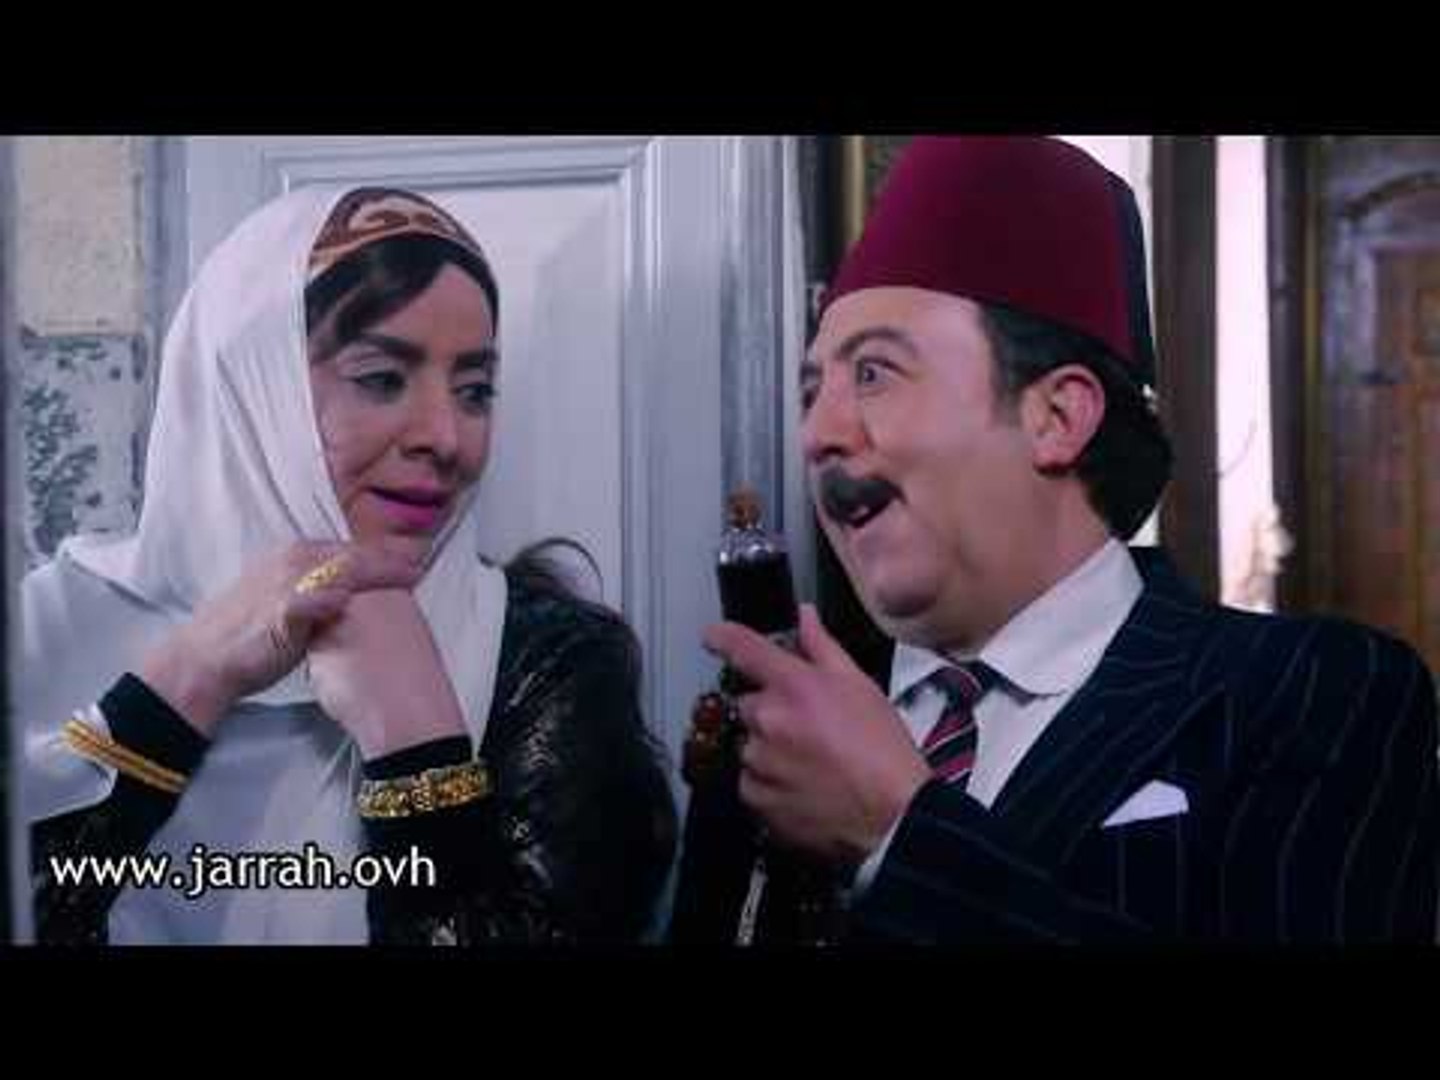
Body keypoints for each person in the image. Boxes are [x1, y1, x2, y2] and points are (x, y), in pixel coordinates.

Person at [671, 136, 1438, 943]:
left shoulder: (1312, 694)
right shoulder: (785, 724)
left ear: (1058, 416)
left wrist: (897, 836)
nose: (817, 433)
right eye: (810, 390)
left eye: (873, 374)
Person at [22, 185, 676, 945]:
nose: (447, 437)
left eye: (474, 390)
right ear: (250, 389)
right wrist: (188, 678)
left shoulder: (544, 663)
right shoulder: (50, 630)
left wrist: (418, 749)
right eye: (381, 378)